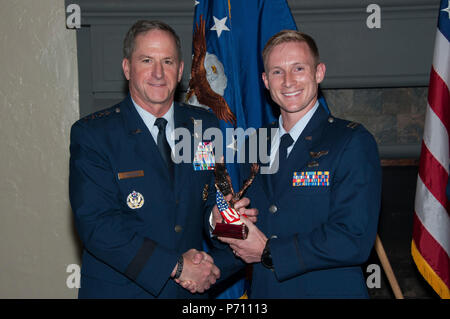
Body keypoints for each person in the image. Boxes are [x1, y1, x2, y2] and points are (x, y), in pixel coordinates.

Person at [69, 20, 253, 298]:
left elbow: (204, 199)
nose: (158, 73)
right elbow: (98, 226)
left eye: (167, 61)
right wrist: (177, 267)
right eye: (147, 60)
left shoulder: (203, 127)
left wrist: (220, 219)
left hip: (188, 295)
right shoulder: (94, 134)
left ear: (179, 71)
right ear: (127, 68)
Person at [218, 30, 382, 298]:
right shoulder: (253, 144)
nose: (288, 81)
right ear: (265, 81)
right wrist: (225, 224)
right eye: (277, 72)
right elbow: (254, 227)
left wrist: (270, 251)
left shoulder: (351, 141)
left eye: (298, 68)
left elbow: (354, 239)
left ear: (319, 73)